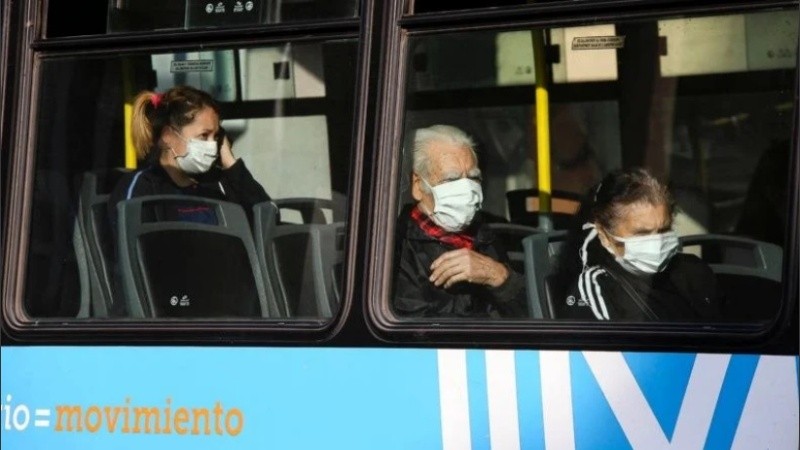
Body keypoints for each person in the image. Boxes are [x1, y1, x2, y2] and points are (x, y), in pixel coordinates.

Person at [392, 124, 526, 318]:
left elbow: (531, 314)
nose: (467, 189)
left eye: (473, 178)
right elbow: (415, 333)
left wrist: (498, 276)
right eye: (451, 180)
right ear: (418, 185)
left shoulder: (486, 235)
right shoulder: (396, 247)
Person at [552, 168, 721, 321]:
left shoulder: (693, 272)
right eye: (642, 234)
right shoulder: (597, 289)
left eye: (663, 230)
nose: (657, 242)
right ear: (604, 236)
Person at [108, 85, 270, 228]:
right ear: (168, 136)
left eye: (216, 137)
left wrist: (230, 163)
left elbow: (268, 222)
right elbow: (133, 246)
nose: (212, 145)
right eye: (204, 136)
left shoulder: (219, 183)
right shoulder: (143, 186)